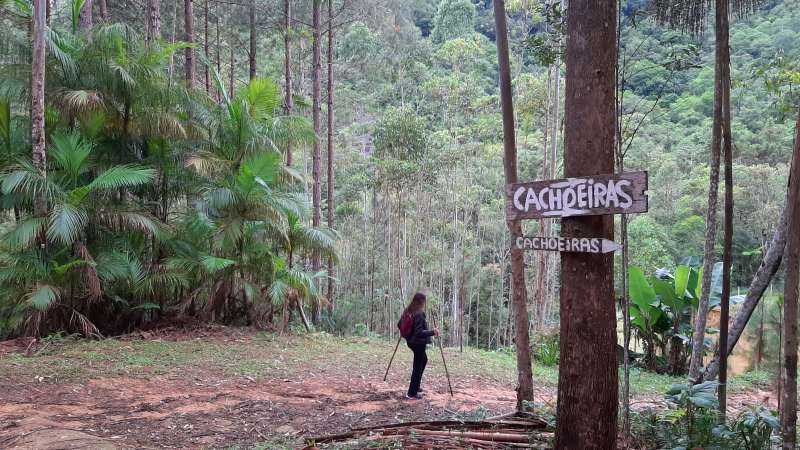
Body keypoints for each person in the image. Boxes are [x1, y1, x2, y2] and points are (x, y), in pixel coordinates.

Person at [399, 292, 439, 399]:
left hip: (411, 342)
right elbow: (419, 332)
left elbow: (399, 324)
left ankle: (416, 386)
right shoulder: (419, 314)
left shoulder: (408, 310)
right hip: (418, 343)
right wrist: (433, 332)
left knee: (424, 360)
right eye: (424, 301)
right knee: (417, 367)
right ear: (421, 302)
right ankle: (411, 393)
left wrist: (408, 334)